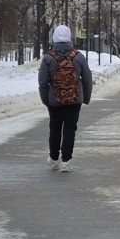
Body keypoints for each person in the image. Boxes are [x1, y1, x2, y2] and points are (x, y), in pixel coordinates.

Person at [38, 25, 93, 173]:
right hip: (74, 100)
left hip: (54, 100)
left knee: (55, 128)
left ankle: (54, 159)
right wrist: (85, 98)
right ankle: (66, 161)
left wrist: (46, 99)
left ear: (54, 38)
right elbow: (87, 79)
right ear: (69, 38)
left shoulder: (48, 58)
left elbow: (43, 82)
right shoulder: (78, 56)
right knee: (70, 129)